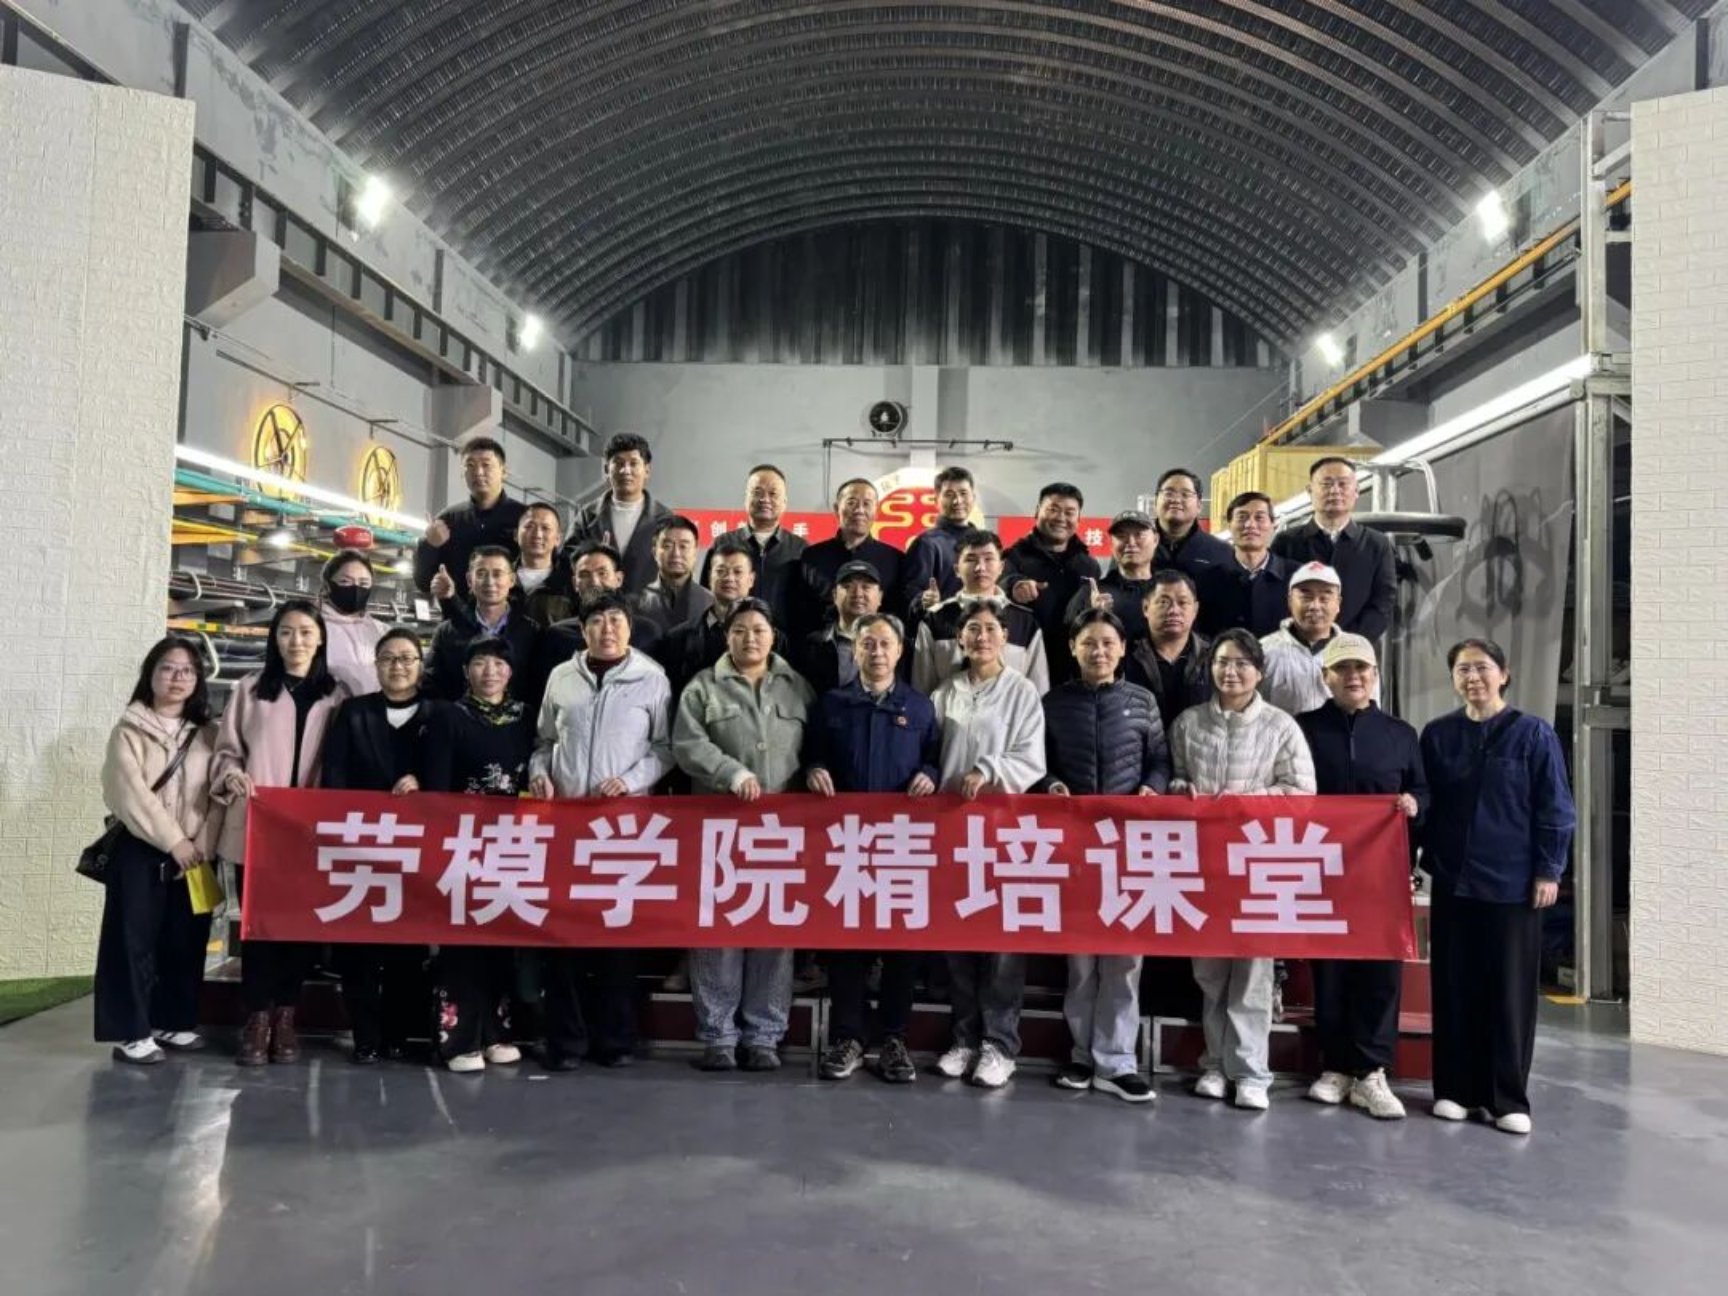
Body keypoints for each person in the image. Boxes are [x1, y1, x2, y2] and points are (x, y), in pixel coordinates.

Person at [1420, 638, 1576, 1136]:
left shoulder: (1533, 734)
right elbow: (1428, 804)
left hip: (1513, 885)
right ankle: (1454, 1090)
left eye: (1482, 668)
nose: (1473, 678)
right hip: (1453, 881)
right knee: (1453, 987)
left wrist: (1549, 870)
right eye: (1463, 670)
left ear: (1504, 674)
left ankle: (1507, 1097)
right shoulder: (1438, 735)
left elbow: (1556, 808)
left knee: (1509, 993)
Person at [1167, 629, 1316, 1110]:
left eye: (1241, 664)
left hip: (1257, 865)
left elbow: (1301, 794)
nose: (1230, 672)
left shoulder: (1280, 726)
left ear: (1260, 672)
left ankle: (1251, 1072)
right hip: (1203, 864)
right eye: (1222, 662)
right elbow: (1176, 778)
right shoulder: (1189, 723)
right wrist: (1179, 789)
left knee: (1253, 973)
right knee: (1210, 973)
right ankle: (1215, 1063)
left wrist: (1246, 802)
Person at [528, 593, 674, 1070]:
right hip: (567, 827)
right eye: (597, 621)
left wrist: (630, 781)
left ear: (630, 628)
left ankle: (615, 1040)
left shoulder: (652, 678)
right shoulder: (561, 677)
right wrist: (540, 772)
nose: (607, 629)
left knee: (618, 937)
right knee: (563, 935)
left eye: (616, 620)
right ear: (583, 628)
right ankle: (566, 1042)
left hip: (623, 829)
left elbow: (665, 748)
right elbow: (545, 740)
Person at [672, 599, 816, 1072]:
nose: (750, 638)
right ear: (726, 636)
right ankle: (718, 1035)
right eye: (740, 630)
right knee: (717, 930)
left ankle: (764, 1036)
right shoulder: (703, 687)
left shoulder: (797, 687)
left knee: (773, 932)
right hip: (719, 831)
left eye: (759, 629)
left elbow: (816, 746)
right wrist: (731, 773)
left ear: (773, 636)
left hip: (781, 834)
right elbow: (687, 744)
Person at [1294, 633, 1428, 1120]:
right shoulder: (1303, 728)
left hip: (1381, 877)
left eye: (1362, 669)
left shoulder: (1400, 734)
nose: (1353, 677)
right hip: (1322, 871)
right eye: (1343, 669)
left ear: (1374, 676)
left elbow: (1423, 791)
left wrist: (1414, 805)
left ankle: (1371, 1071)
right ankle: (1335, 1066)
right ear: (1325, 677)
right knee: (1330, 970)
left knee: (1380, 972)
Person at [804, 611, 940, 1084]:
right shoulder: (833, 703)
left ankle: (893, 1039)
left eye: (885, 644)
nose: (877, 652)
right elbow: (813, 753)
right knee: (848, 943)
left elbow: (935, 757)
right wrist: (814, 769)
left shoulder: (920, 707)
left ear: (900, 651)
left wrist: (931, 775)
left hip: (902, 845)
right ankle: (848, 1037)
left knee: (902, 944)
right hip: (846, 843)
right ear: (855, 649)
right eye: (868, 644)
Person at [1041, 609, 1170, 1104]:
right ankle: (1081, 1055)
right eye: (1089, 642)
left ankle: (1117, 1062)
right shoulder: (1054, 702)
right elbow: (1039, 762)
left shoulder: (1141, 701)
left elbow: (1160, 758)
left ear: (1121, 649)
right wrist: (1051, 784)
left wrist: (1152, 786)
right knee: (1080, 962)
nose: (1098, 651)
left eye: (1108, 642)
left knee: (1124, 959)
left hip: (1129, 847)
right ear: (1073, 648)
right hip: (1073, 846)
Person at [212, 600, 349, 1067]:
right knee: (258, 928)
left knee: (298, 928)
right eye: (287, 632)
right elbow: (227, 749)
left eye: (306, 632)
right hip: (259, 827)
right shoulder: (250, 689)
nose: (297, 641)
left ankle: (286, 1014)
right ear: (274, 637)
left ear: (321, 638)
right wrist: (231, 775)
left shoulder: (337, 694)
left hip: (310, 831)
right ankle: (257, 1017)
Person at [930, 603, 1047, 1088]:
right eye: (972, 629)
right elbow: (931, 753)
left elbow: (1032, 758)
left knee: (1001, 942)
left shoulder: (1022, 691)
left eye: (991, 629)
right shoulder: (944, 692)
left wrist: (988, 769)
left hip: (1003, 832)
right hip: (952, 832)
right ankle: (964, 1038)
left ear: (1006, 638)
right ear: (959, 638)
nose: (982, 637)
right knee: (957, 937)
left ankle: (999, 1045)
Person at [94, 638, 220, 1065]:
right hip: (142, 849)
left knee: (187, 938)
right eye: (168, 668)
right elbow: (129, 793)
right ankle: (131, 1031)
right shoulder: (128, 730)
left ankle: (173, 1020)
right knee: (131, 940)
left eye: (188, 670)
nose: (178, 677)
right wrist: (174, 842)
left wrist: (201, 843)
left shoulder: (208, 733)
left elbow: (217, 794)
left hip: (196, 852)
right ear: (150, 674)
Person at [321, 628, 443, 1065]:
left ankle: (397, 1034)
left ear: (421, 666)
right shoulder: (354, 712)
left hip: (415, 850)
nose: (398, 666)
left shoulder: (439, 713)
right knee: (359, 948)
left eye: (407, 658)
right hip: (363, 846)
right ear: (376, 666)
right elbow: (335, 774)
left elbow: (447, 774)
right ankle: (366, 1037)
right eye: (389, 658)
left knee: (407, 949)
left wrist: (424, 783)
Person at [420, 639, 537, 1073]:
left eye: (499, 663)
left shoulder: (527, 717)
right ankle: (458, 1039)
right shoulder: (448, 715)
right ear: (466, 670)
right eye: (480, 663)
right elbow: (436, 785)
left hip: (513, 844)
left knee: (501, 939)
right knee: (461, 942)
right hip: (462, 842)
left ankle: (497, 1032)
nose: (490, 671)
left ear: (511, 671)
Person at [1270, 456, 1396, 641]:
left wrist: (1347, 642)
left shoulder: (1377, 544)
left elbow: (1383, 602)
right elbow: (1273, 597)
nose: (1335, 491)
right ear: (1310, 490)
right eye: (1326, 484)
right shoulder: (1286, 543)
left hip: (1354, 651)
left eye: (1343, 484)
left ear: (1356, 491)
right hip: (1296, 647)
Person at [912, 529, 1050, 696]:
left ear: (1001, 567)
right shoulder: (934, 619)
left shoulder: (1025, 622)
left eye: (988, 559)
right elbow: (922, 688)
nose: (980, 568)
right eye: (971, 559)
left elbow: (1038, 690)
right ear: (956, 569)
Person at [657, 536, 780, 699]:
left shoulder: (776, 639)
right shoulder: (677, 639)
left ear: (751, 579)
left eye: (737, 572)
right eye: (721, 571)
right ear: (709, 577)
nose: (729, 578)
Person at [1004, 482, 1103, 684]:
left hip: (1074, 670)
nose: (1060, 518)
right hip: (1025, 667)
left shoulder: (1089, 566)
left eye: (1069, 512)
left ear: (1078, 518)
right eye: (1053, 509)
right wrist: (1013, 586)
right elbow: (998, 585)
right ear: (1037, 511)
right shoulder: (1014, 556)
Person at [423, 546, 542, 707]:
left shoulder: (532, 632)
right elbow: (431, 684)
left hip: (517, 720)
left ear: (512, 580)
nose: (489, 582)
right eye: (481, 574)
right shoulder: (446, 632)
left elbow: (537, 688)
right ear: (469, 580)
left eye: (497, 574)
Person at [788, 477, 904, 642]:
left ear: (876, 511)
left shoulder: (895, 559)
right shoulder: (812, 557)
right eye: (851, 503)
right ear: (837, 509)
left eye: (867, 504)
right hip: (822, 650)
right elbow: (800, 613)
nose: (859, 510)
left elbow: (898, 616)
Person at [413, 435, 528, 599]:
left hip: (515, 613)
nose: (478, 472)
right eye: (470, 465)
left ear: (504, 472)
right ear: (463, 473)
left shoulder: (525, 520)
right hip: (458, 613)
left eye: (486, 465)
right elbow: (423, 583)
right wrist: (429, 545)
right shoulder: (448, 520)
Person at [565, 432, 672, 593]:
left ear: (647, 470)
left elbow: (675, 573)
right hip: (597, 605)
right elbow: (568, 563)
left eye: (633, 463)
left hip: (647, 607)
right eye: (619, 463)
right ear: (606, 470)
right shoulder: (587, 517)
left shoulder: (665, 520)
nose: (625, 470)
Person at [701, 464, 806, 629]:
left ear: (784, 502)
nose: (765, 499)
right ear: (746, 499)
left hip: (785, 639)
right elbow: (706, 595)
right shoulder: (723, 543)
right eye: (757, 492)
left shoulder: (800, 549)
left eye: (773, 494)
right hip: (732, 637)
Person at [1259, 561, 1352, 717]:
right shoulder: (1264, 651)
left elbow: (1369, 712)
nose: (1315, 606)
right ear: (1290, 601)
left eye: (1324, 598)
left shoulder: (1354, 651)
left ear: (1338, 603)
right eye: (1306, 597)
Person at [1196, 491, 1293, 639]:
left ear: (1273, 524)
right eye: (1242, 517)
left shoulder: (1296, 577)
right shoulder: (1207, 581)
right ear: (1229, 525)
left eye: (1259, 517)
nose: (1250, 525)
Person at [1125, 570, 1213, 731]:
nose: (1174, 610)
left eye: (1182, 602)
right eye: (1163, 602)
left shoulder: (1213, 656)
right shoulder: (1124, 654)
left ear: (1195, 609)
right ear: (1145, 608)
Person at [798, 560, 900, 696]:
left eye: (866, 587)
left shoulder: (900, 645)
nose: (857, 593)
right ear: (834, 595)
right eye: (847, 587)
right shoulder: (812, 646)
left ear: (880, 597)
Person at [1065, 510, 1158, 646]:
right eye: (1121, 536)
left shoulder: (1168, 590)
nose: (1131, 542)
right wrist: (1091, 616)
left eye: (1139, 534)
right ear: (1111, 543)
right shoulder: (1091, 593)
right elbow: (1068, 642)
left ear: (1156, 540)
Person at [898, 465, 977, 622]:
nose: (957, 501)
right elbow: (911, 592)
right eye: (949, 494)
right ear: (936, 500)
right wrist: (924, 599)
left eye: (963, 493)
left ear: (973, 498)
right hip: (942, 630)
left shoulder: (985, 542)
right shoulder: (927, 543)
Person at [319, 549, 389, 696]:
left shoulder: (382, 631)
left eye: (364, 583)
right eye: (345, 581)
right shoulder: (313, 628)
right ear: (327, 586)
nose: (356, 588)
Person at [1151, 467, 1231, 579]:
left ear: (1199, 506)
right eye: (1169, 493)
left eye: (1185, 494)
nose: (1176, 500)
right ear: (1155, 502)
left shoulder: (1221, 552)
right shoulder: (1137, 548)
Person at [637, 515, 714, 631]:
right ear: (654, 551)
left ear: (695, 552)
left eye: (683, 546)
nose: (676, 553)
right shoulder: (636, 603)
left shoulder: (710, 602)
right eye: (667, 546)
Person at [515, 501, 569, 609]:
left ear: (558, 539)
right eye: (529, 526)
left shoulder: (569, 582)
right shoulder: (500, 577)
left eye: (545, 528)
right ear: (516, 535)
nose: (537, 535)